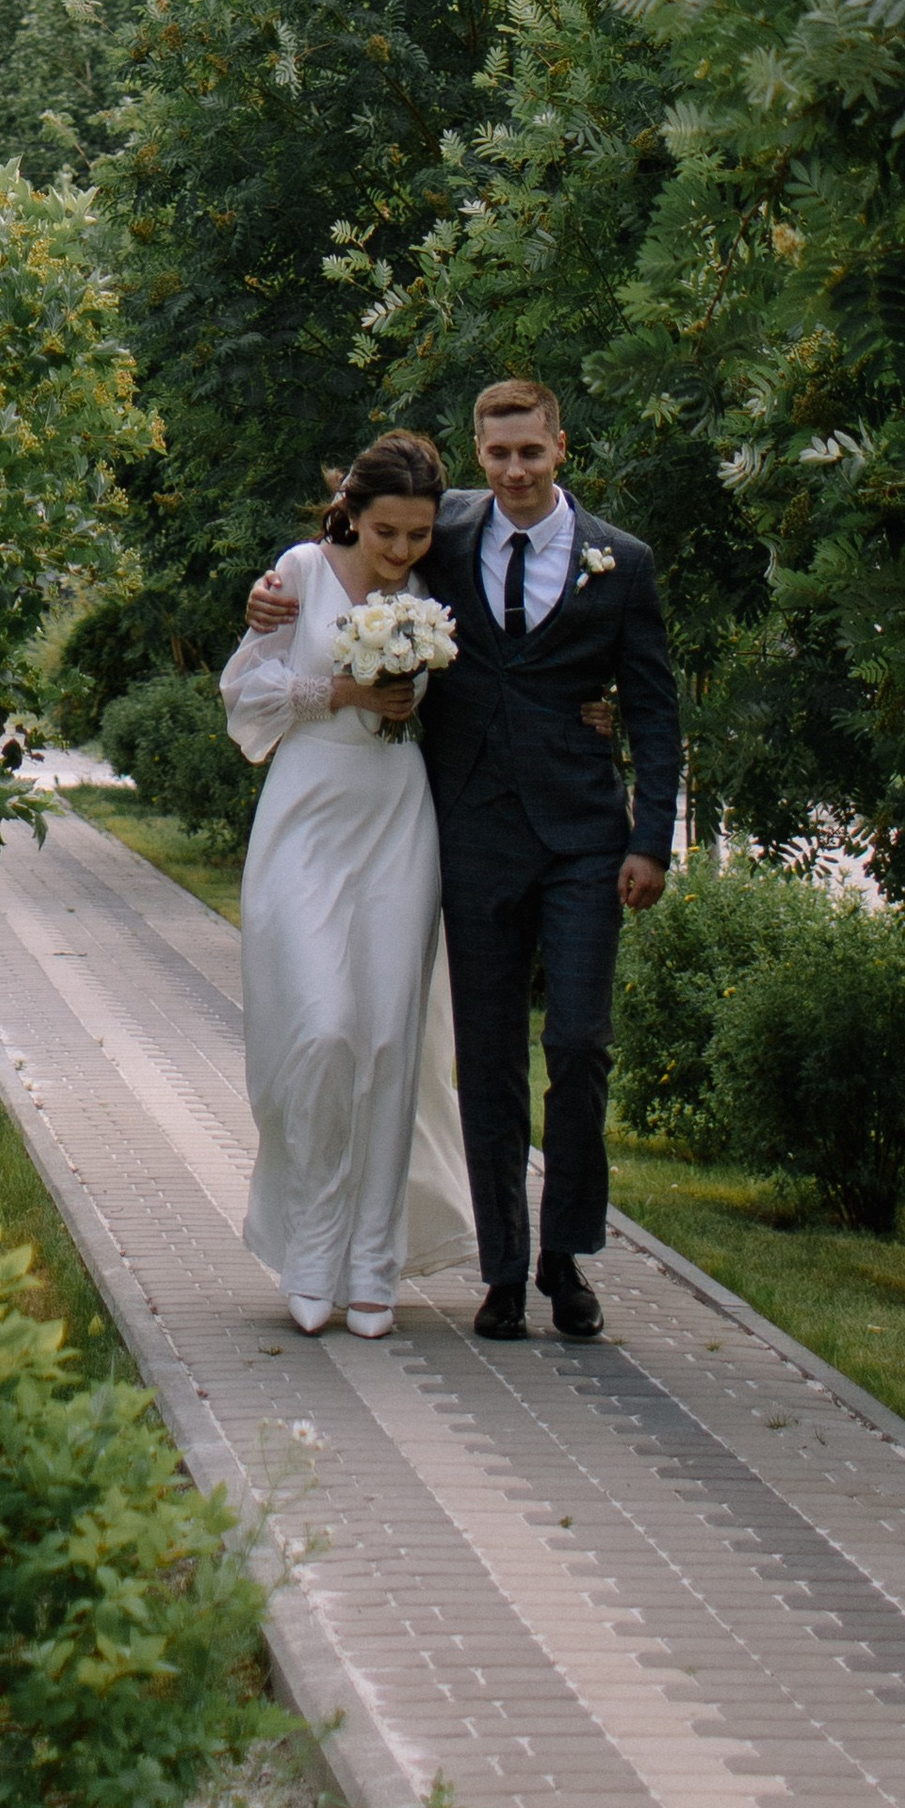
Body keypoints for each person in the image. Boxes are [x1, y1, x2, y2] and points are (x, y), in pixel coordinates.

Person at [247, 379, 681, 1345]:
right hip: (470, 828)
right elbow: (354, 533)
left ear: (560, 446)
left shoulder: (622, 562)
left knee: (578, 1042)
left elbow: (654, 706)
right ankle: (503, 1271)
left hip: (581, 834)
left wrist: (651, 837)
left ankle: (566, 1257)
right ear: (479, 455)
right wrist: (268, 594)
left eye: (531, 450)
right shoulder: (438, 531)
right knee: (483, 1056)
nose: (515, 469)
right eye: (498, 453)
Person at [218, 430, 474, 1339]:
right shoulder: (298, 573)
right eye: (385, 532)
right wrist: (343, 694)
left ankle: (375, 1260)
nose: (401, 551)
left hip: (399, 816)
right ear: (350, 514)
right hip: (308, 812)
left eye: (417, 535)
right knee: (323, 1029)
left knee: (390, 1039)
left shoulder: (436, 587)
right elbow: (244, 696)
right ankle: (310, 1246)